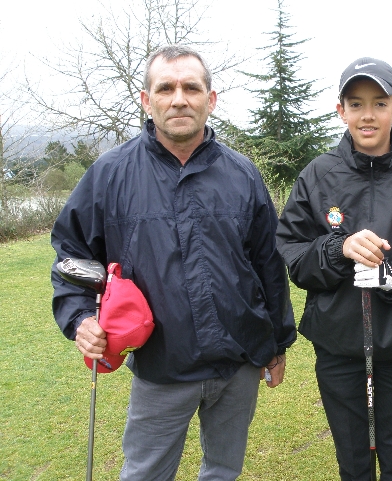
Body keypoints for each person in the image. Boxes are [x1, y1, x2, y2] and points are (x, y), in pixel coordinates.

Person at [50, 44, 296, 480]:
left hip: (237, 364)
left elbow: (268, 265)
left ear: (210, 99)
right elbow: (72, 254)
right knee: (145, 474)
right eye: (165, 88)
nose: (179, 98)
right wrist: (78, 317)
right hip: (162, 367)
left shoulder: (243, 174)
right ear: (147, 100)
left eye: (191, 87)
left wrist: (277, 344)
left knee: (223, 470)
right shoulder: (111, 174)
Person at [275, 57, 392, 480]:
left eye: (378, 103)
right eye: (356, 104)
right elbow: (291, 250)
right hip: (338, 344)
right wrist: (338, 250)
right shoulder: (318, 174)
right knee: (353, 460)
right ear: (341, 111)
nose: (367, 115)